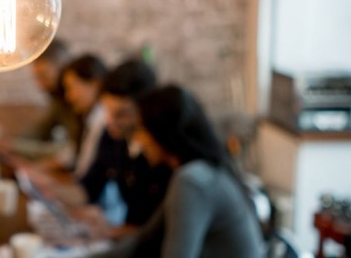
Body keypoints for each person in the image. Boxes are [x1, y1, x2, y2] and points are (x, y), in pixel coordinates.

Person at [97, 85, 264, 258]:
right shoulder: (198, 172)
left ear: (161, 132)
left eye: (142, 129)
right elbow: (144, 240)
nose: (138, 139)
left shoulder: (192, 181)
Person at [79, 60, 171, 234]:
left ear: (146, 109)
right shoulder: (113, 137)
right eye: (107, 110)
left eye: (121, 114)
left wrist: (110, 231)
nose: (110, 121)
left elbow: (164, 233)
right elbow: (90, 186)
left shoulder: (163, 154)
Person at [60, 54, 108, 178]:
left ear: (95, 84)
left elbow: (84, 176)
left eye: (71, 88)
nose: (68, 97)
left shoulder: (102, 121)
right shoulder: (89, 118)